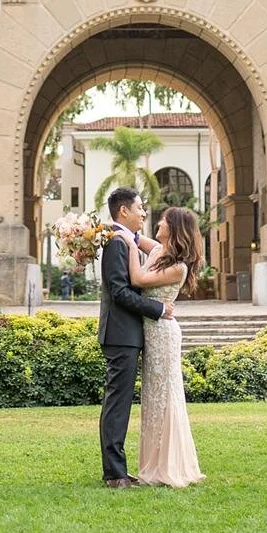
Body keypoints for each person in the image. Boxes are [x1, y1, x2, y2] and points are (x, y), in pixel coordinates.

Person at [97, 187, 171, 488]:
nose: (144, 213)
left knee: (120, 402)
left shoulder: (125, 239)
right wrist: (159, 308)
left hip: (127, 333)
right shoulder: (116, 242)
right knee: (118, 403)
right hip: (120, 333)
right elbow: (120, 292)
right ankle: (114, 474)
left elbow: (160, 250)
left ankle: (117, 470)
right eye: (140, 207)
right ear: (123, 210)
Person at [127, 205, 205, 488]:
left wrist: (127, 244)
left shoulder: (177, 267)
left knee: (164, 395)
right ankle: (154, 462)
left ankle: (166, 467)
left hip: (163, 334)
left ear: (173, 228)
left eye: (163, 221)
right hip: (151, 331)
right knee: (153, 396)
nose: (157, 222)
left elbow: (138, 280)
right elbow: (134, 237)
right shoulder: (158, 251)